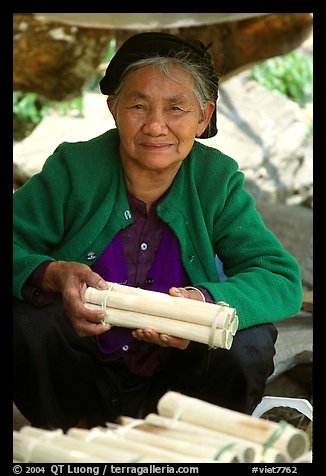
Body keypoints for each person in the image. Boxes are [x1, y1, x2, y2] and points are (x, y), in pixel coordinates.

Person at [13, 31, 302, 431]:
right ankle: (74, 440)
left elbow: (280, 278)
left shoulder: (215, 180)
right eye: (137, 105)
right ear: (114, 108)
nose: (155, 126)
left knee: (247, 338)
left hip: (181, 387)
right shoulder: (73, 169)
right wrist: (52, 274)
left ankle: (190, 445)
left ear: (203, 117)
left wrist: (203, 303)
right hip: (80, 375)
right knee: (27, 320)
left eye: (176, 108)